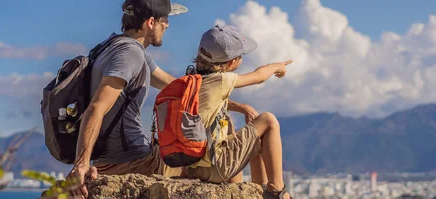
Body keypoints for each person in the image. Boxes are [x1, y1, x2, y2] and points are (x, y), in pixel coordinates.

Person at [65, 1, 258, 198]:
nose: (167, 25)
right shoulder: (129, 54)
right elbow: (97, 107)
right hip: (136, 161)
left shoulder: (115, 47)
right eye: (164, 19)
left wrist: (237, 106)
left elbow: (183, 90)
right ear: (151, 22)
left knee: (220, 123)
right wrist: (81, 164)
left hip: (118, 158)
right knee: (224, 133)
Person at [184, 24, 293, 199]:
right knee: (268, 121)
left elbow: (213, 102)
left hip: (194, 168)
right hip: (217, 167)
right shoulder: (221, 79)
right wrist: (276, 66)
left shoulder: (191, 81)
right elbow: (259, 76)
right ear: (230, 62)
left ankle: (259, 189)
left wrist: (242, 107)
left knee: (252, 135)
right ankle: (277, 189)